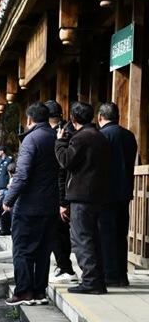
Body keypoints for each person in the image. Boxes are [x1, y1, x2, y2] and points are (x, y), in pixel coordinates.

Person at [3, 102, 59, 306]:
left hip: (29, 205)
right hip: (51, 203)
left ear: (29, 119)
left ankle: (24, 292)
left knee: (23, 250)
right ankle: (39, 291)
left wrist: (9, 199)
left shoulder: (31, 140)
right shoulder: (56, 137)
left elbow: (22, 174)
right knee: (43, 251)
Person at [55, 101, 110, 295]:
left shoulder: (81, 138)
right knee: (93, 238)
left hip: (81, 195)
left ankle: (90, 282)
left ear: (73, 118)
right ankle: (97, 280)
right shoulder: (100, 136)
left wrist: (60, 142)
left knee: (82, 239)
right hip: (97, 194)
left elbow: (66, 161)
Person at [97, 102, 137, 287]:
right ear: (118, 116)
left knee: (106, 235)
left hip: (105, 193)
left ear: (100, 117)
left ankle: (110, 274)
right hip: (125, 191)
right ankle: (122, 274)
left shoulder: (101, 136)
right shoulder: (129, 136)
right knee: (121, 233)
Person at [45, 100, 77, 283]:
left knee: (58, 232)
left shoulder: (62, 133)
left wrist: (62, 202)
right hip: (64, 189)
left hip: (62, 189)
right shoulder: (65, 130)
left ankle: (66, 267)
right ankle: (64, 266)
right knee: (60, 232)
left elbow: (61, 170)